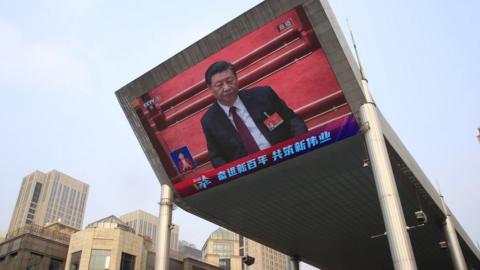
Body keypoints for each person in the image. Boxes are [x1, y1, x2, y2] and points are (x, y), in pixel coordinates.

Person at [201, 60, 307, 168]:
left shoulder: (263, 95)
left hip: (286, 157)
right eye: (219, 85)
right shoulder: (209, 120)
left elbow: (293, 120)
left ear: (236, 79)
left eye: (230, 80)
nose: (227, 88)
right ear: (210, 88)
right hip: (250, 174)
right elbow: (216, 157)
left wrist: (300, 144)